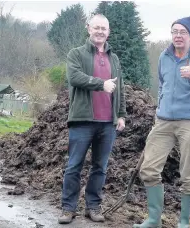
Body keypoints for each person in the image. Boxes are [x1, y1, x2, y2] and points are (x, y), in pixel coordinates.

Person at [133, 16, 190, 228]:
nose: (178, 36)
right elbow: (162, 84)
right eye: (175, 32)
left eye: (182, 32)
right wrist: (160, 108)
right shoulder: (164, 56)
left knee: (187, 173)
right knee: (149, 168)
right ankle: (153, 219)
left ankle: (184, 222)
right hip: (164, 121)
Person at [58, 14, 126, 224]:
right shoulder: (76, 54)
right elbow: (74, 77)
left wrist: (121, 114)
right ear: (89, 29)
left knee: (100, 167)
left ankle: (93, 206)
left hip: (107, 123)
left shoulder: (114, 58)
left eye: (103, 29)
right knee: (74, 166)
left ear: (108, 32)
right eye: (96, 27)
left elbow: (120, 89)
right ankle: (68, 208)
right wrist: (101, 84)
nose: (100, 32)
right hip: (82, 121)